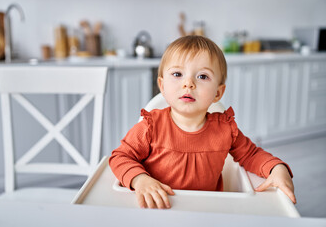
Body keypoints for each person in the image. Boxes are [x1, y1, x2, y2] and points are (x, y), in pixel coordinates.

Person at [109, 35, 296, 209]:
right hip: (159, 208)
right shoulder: (150, 127)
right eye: (177, 74)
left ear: (218, 93)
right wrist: (140, 180)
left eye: (202, 76)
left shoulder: (225, 129)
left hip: (207, 211)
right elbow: (120, 157)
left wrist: (277, 168)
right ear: (162, 86)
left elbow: (252, 155)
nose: (188, 83)